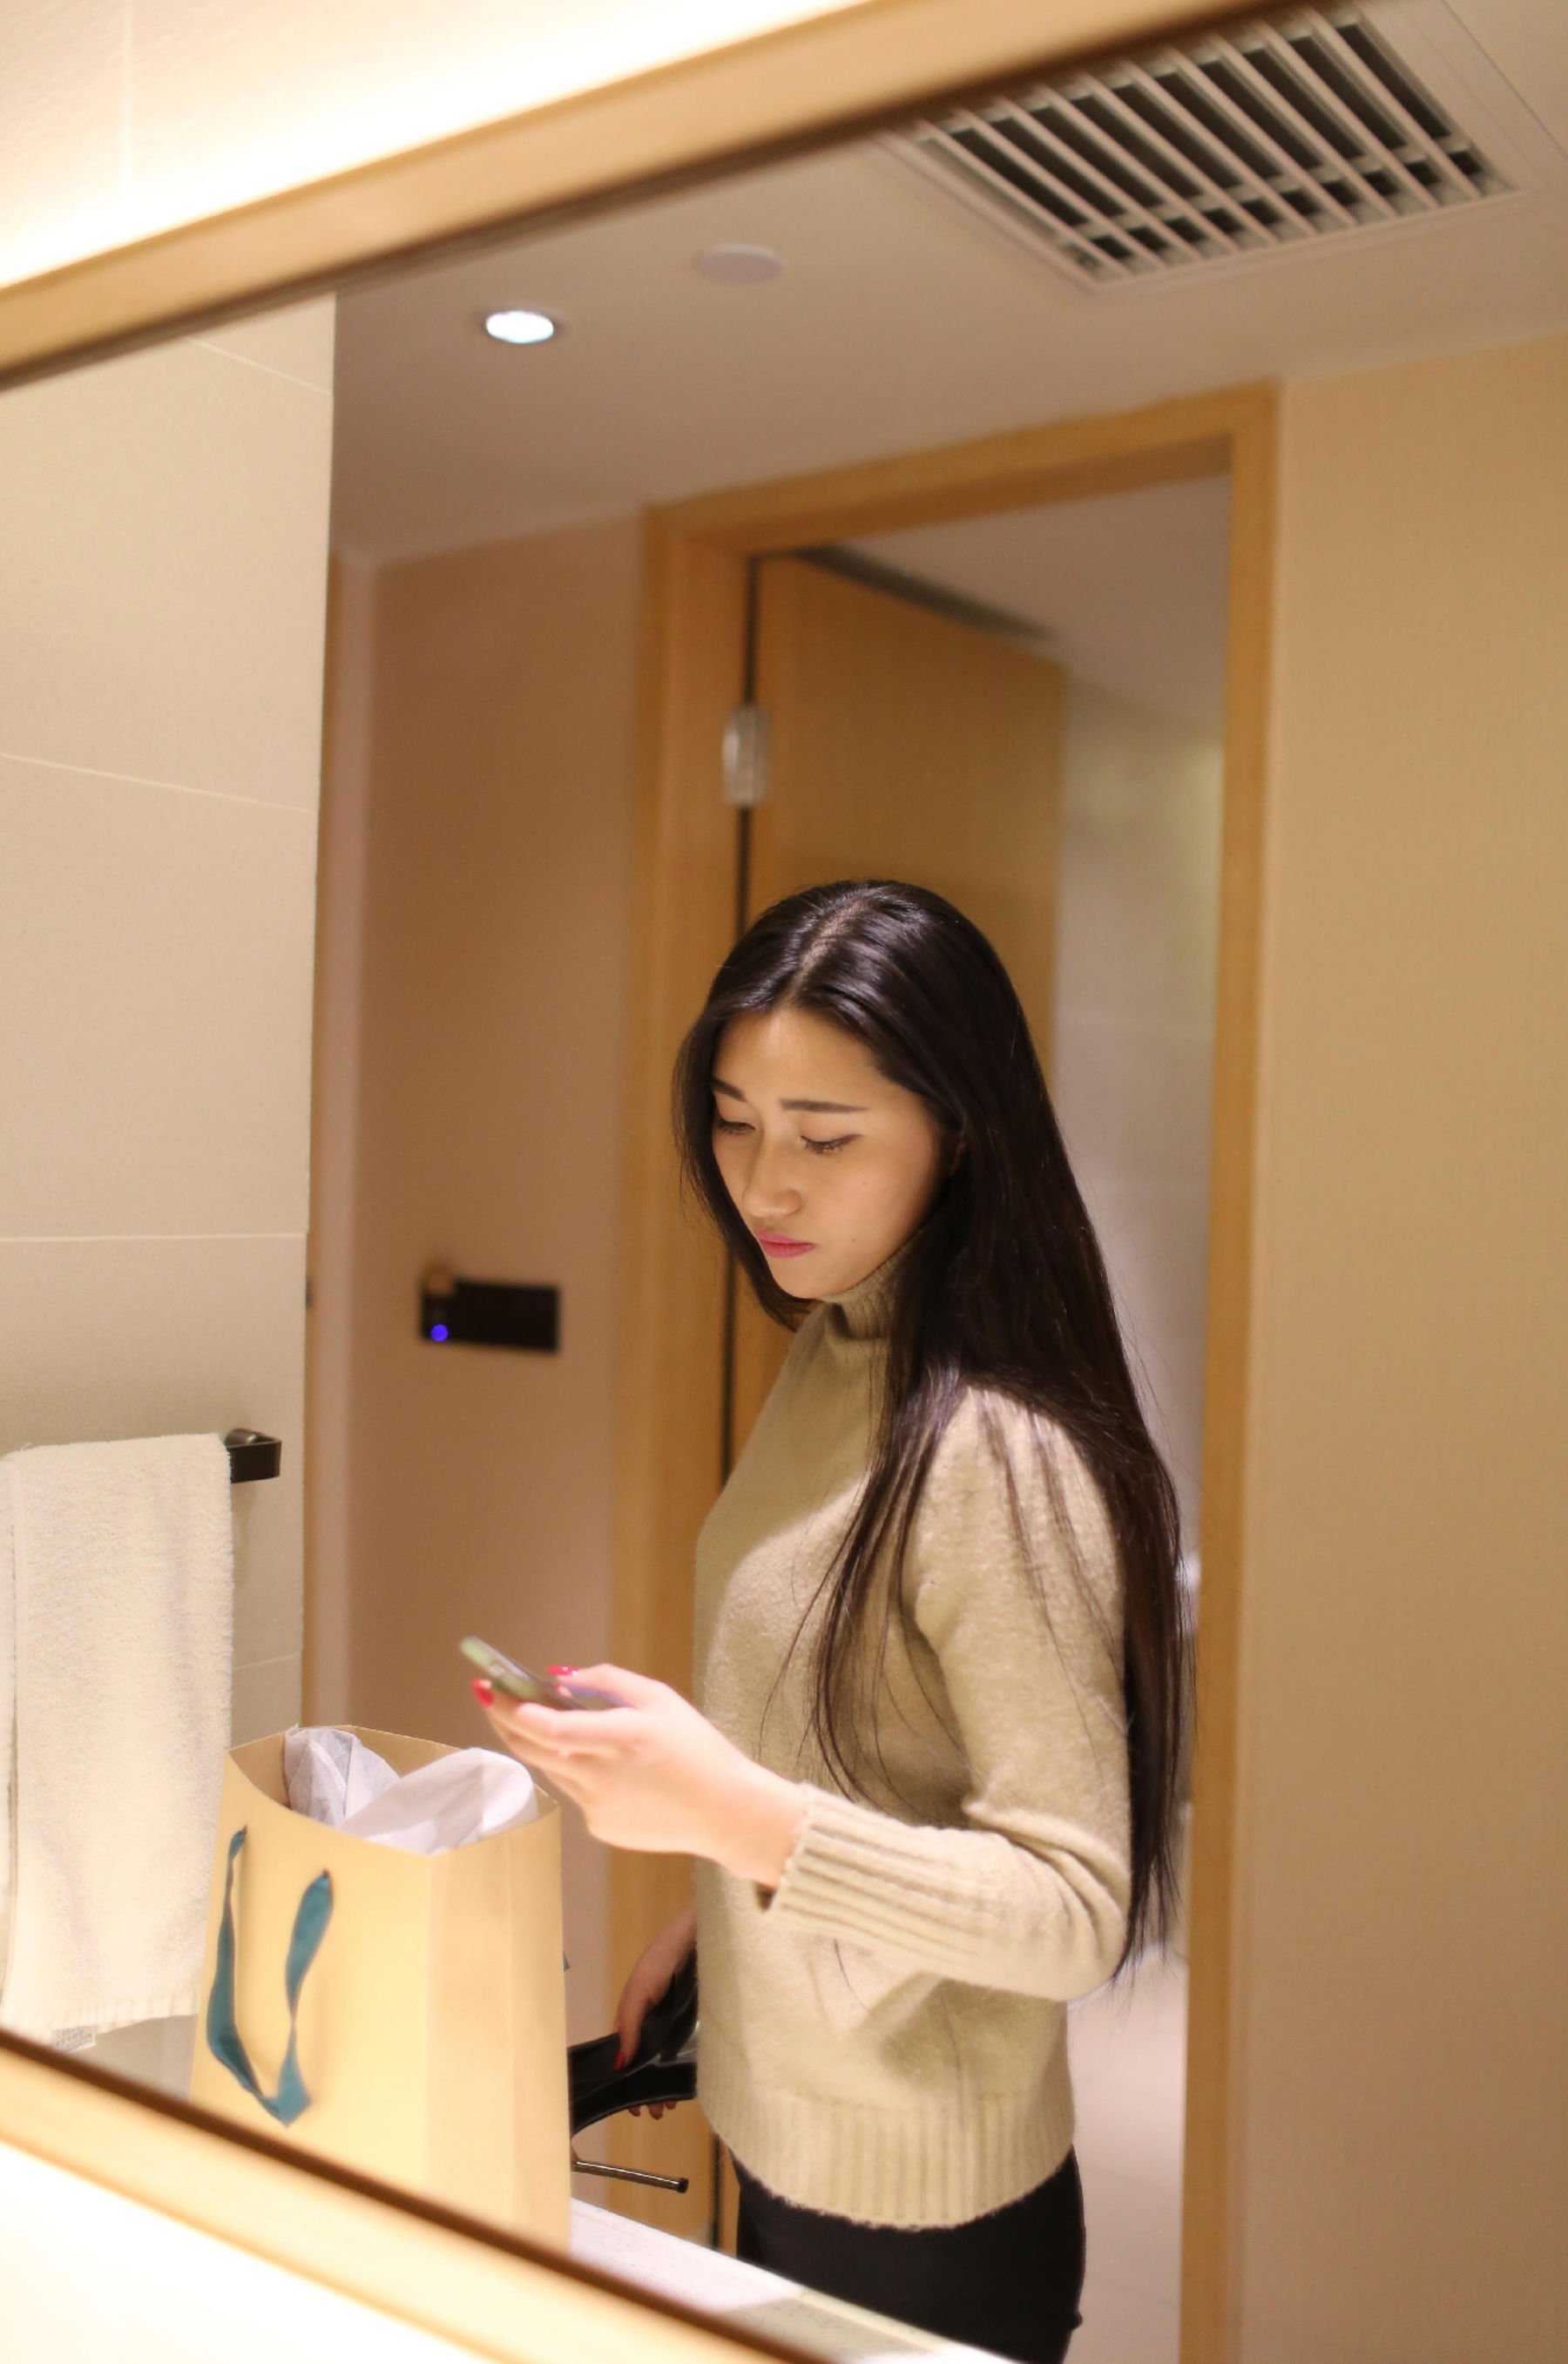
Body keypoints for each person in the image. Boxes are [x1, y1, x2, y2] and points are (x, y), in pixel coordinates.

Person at [476, 879, 1193, 2364]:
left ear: (959, 1131)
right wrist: (724, 1912)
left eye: (825, 1136)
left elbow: (1071, 1908)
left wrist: (735, 1820)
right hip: (788, 2143)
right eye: (734, 1120)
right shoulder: (835, 1347)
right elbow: (859, 1749)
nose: (765, 1185)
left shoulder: (997, 1451)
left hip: (928, 2219)